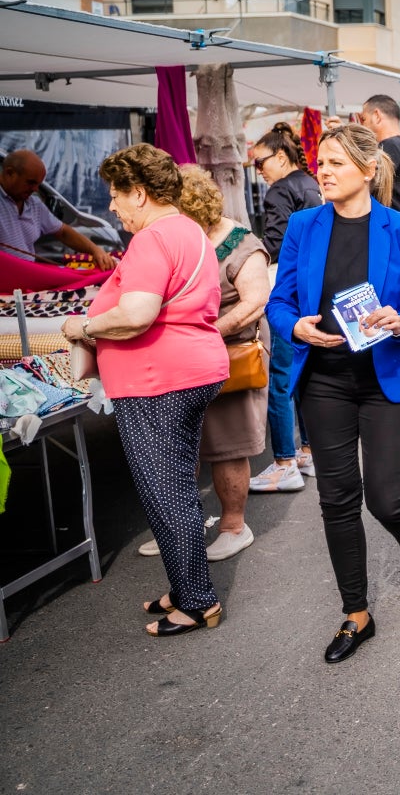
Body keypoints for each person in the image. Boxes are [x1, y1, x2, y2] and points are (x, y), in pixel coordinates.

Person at [266, 122, 400, 663]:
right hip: (323, 383)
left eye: (337, 163)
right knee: (337, 500)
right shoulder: (302, 226)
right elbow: (280, 302)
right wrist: (294, 327)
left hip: (386, 381)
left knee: (386, 498)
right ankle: (356, 614)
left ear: (369, 171)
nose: (324, 171)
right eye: (321, 162)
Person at [60, 144, 227, 636]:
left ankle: (198, 602)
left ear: (139, 193)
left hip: (157, 380)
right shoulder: (189, 230)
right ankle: (186, 586)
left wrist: (83, 327)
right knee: (176, 487)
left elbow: (136, 315)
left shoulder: (153, 239)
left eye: (115, 195)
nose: (111, 206)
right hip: (189, 372)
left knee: (166, 493)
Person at [146, 167, 269, 562]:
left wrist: (208, 331)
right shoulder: (178, 237)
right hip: (182, 353)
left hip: (229, 351)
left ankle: (234, 526)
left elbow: (254, 302)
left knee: (227, 445)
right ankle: (185, 523)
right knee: (181, 441)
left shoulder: (240, 244)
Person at [248, 123, 322, 492]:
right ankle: (307, 451)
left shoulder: (281, 190)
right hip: (313, 289)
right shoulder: (311, 184)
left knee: (280, 379)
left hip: (286, 289)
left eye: (260, 163)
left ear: (280, 157)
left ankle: (284, 462)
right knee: (302, 372)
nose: (258, 172)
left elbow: (274, 243)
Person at [0, 149, 116, 268]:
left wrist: (95, 250)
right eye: (30, 183)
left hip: (27, 276)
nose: (35, 189)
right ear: (9, 173)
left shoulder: (34, 205)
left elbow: (63, 232)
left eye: (38, 185)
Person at [361, 94, 400, 219]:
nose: (363, 126)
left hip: (396, 229)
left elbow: (366, 184)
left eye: (363, 119)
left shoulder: (388, 147)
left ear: (376, 116)